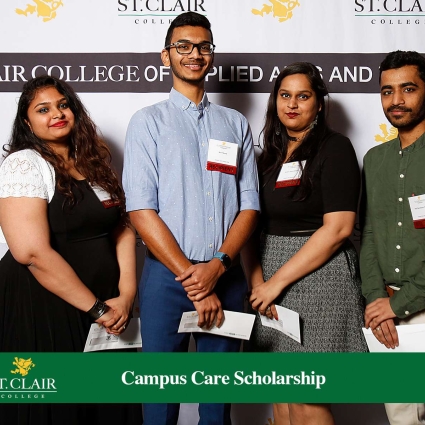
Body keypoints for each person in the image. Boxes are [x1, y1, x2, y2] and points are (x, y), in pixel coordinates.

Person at [123, 11, 260, 425]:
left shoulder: (235, 123)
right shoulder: (147, 122)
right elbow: (140, 210)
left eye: (203, 46)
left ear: (211, 56)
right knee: (159, 405)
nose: (194, 54)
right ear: (166, 56)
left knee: (217, 407)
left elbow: (249, 206)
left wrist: (217, 267)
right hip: (166, 280)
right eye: (183, 46)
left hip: (226, 276)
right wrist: (193, 280)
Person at [0, 75, 143, 424]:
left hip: (107, 304)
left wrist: (126, 295)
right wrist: (96, 308)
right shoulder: (24, 163)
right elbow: (30, 253)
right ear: (26, 122)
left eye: (63, 105)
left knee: (106, 404)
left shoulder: (93, 160)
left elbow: (123, 227)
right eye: (43, 109)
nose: (57, 114)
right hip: (45, 306)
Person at [242, 62, 367, 425]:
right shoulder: (267, 156)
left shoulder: (335, 148)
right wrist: (258, 284)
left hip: (320, 277)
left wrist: (275, 283)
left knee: (306, 398)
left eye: (303, 96)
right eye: (285, 95)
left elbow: (339, 228)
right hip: (268, 276)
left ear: (319, 104)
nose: (292, 104)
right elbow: (251, 224)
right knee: (282, 397)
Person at [360, 50, 425, 425]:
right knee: (401, 419)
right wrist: (375, 300)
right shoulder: (374, 159)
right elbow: (369, 233)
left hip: (411, 304)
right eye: (387, 91)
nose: (396, 100)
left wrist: (399, 304)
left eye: (408, 89)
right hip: (387, 314)